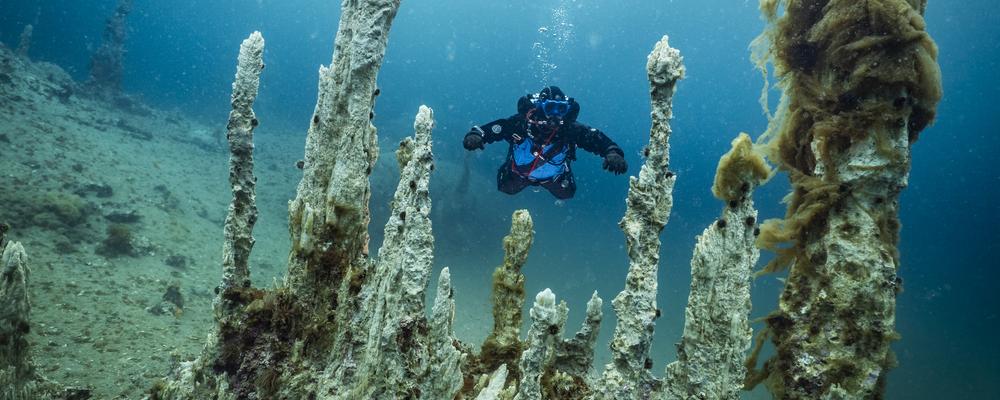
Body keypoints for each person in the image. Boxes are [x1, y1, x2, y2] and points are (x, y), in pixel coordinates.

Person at [462, 86, 627, 200]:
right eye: (550, 108)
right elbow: (498, 128)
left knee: (567, 194)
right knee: (505, 188)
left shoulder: (570, 129)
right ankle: (511, 168)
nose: (554, 115)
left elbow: (596, 139)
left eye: (560, 109)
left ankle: (563, 171)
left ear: (567, 110)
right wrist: (477, 135)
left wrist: (613, 152)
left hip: (554, 177)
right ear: (540, 107)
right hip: (518, 173)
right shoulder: (521, 123)